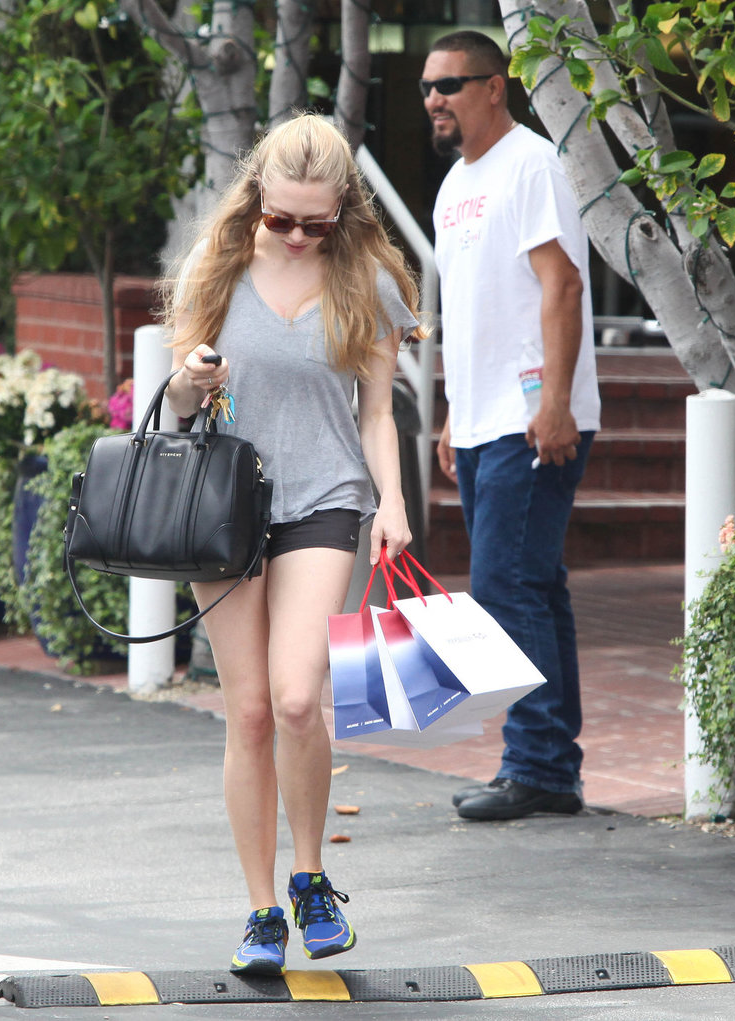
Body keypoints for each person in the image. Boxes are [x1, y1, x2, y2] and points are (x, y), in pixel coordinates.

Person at [162, 114, 422, 975]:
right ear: (258, 197)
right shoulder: (217, 265)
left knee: (300, 697)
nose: (300, 235)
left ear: (346, 206)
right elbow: (174, 411)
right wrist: (193, 381)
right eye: (284, 220)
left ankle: (311, 877)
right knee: (248, 709)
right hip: (224, 505)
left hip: (324, 494)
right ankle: (260, 908)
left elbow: (379, 412)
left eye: (319, 221)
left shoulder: (373, 278)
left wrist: (392, 502)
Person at [421, 31, 601, 822]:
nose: (435, 98)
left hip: (533, 418)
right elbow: (471, 308)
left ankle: (534, 763)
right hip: (484, 417)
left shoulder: (533, 164)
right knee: (534, 586)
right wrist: (455, 410)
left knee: (502, 588)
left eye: (451, 84)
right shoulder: (456, 183)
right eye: (428, 87)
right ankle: (550, 767)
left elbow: (560, 285)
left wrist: (555, 402)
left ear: (496, 86)